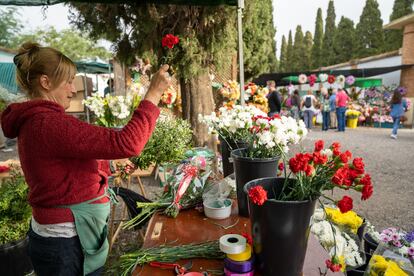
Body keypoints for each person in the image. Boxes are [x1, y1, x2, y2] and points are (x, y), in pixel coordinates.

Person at [1, 42, 170, 276]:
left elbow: (63, 166)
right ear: (45, 82)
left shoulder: (37, 122)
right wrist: (154, 93)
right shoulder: (49, 124)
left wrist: (107, 165)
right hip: (66, 244)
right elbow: (128, 143)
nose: (73, 88)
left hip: (59, 239)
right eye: (68, 81)